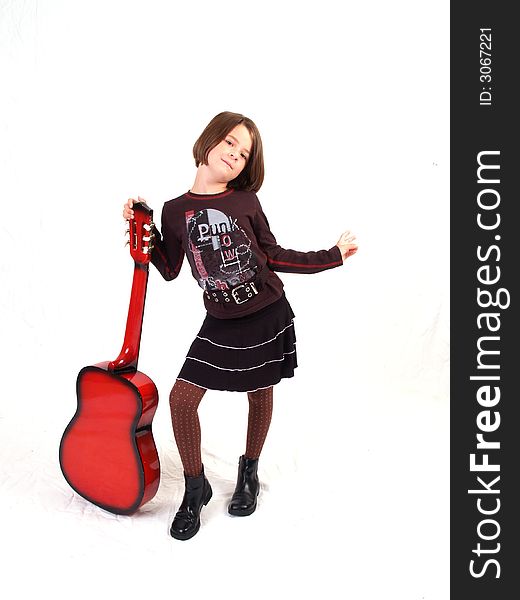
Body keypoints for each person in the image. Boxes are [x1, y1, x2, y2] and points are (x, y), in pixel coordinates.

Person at [123, 111, 358, 540]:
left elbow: (273, 255)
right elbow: (172, 268)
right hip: (221, 319)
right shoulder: (176, 210)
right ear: (210, 141)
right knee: (181, 400)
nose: (235, 154)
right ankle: (196, 488)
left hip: (266, 311)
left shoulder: (244, 202)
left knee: (259, 391)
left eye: (244, 153)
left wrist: (332, 255)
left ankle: (249, 470)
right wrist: (144, 227)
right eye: (230, 142)